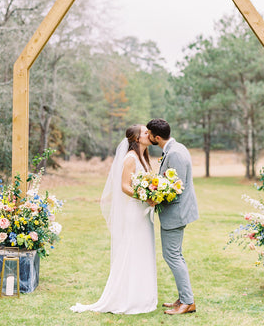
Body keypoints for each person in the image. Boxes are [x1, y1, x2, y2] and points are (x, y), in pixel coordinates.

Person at [70, 124, 157, 315]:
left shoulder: (143, 157)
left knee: (144, 250)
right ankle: (127, 297)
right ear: (136, 139)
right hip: (135, 211)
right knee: (132, 250)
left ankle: (142, 295)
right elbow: (124, 186)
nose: (148, 134)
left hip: (143, 211)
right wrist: (145, 196)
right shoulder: (130, 159)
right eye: (145, 132)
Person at [146, 118, 199, 315]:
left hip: (176, 213)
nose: (148, 137)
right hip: (177, 212)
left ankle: (188, 302)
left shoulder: (175, 153)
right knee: (176, 255)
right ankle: (183, 297)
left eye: (149, 134)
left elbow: (176, 187)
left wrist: (155, 199)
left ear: (156, 137)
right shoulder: (176, 148)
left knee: (172, 256)